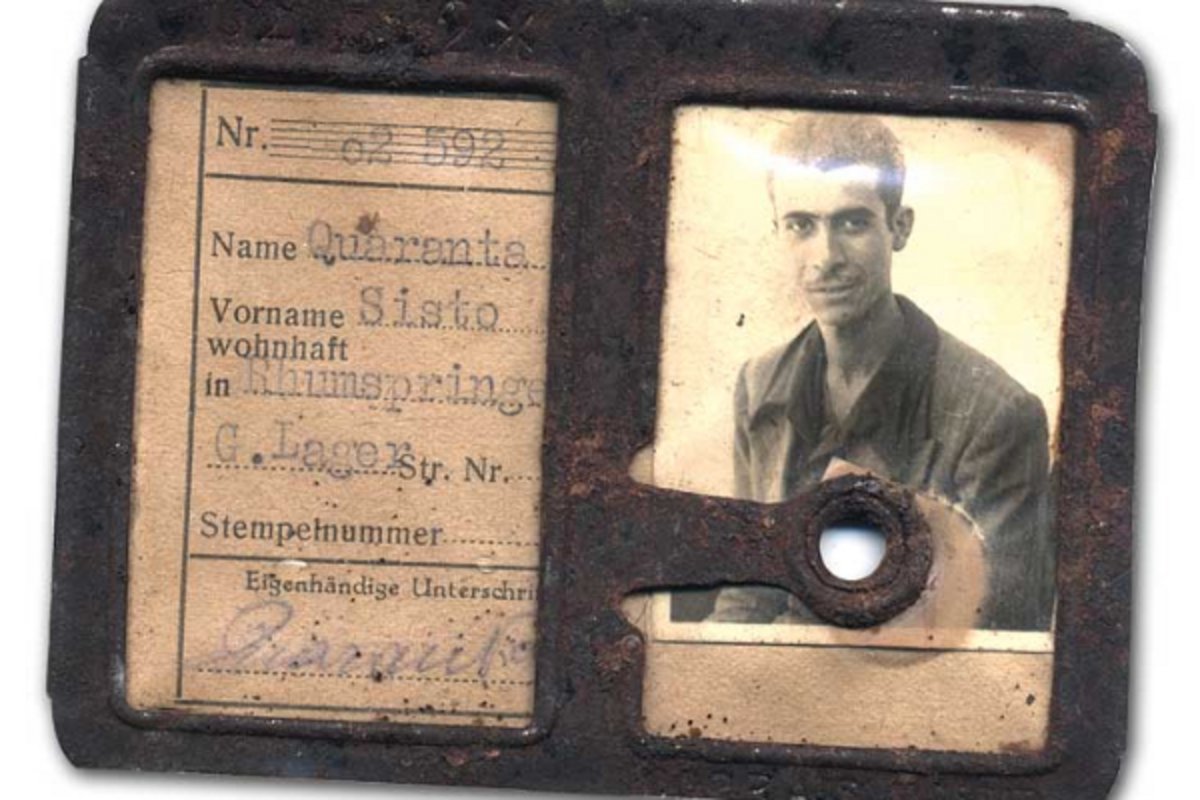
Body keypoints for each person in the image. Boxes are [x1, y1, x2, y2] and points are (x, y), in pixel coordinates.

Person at [708, 115, 1055, 631]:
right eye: (801, 225)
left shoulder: (997, 417)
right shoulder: (758, 386)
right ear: (776, 231)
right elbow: (746, 594)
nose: (825, 258)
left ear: (899, 227)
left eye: (852, 223)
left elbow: (994, 634)